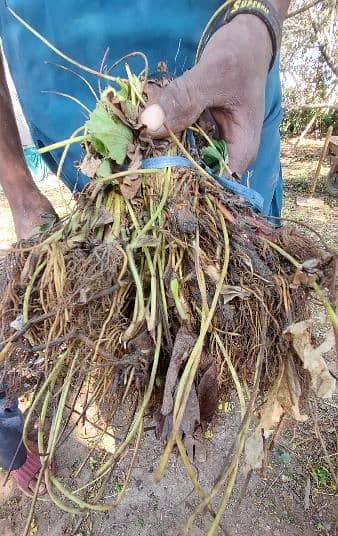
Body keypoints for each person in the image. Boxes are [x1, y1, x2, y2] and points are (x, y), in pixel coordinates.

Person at [0, 0, 290, 495]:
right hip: (82, 136)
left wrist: (259, 22)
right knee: (135, 302)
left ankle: (248, 381)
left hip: (229, 102)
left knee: (252, 290)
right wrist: (18, 186)